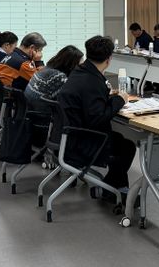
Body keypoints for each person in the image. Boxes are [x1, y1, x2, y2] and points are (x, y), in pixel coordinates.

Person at [57, 36, 135, 197]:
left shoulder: (79, 72)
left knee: (120, 140)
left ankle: (113, 188)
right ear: (109, 59)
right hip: (84, 142)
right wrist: (120, 100)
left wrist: (109, 99)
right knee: (127, 147)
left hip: (69, 135)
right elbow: (98, 118)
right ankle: (112, 191)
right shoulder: (92, 81)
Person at [25, 45, 83, 110]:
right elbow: (71, 96)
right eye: (79, 65)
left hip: (29, 108)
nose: (81, 67)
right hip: (41, 112)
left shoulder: (47, 68)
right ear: (71, 64)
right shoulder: (59, 77)